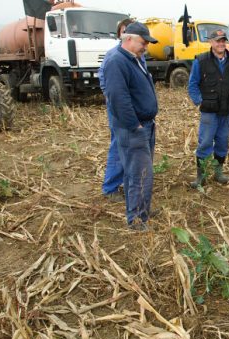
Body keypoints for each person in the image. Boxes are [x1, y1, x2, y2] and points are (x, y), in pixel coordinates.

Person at [103, 22, 159, 231]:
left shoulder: (134, 59)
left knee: (139, 173)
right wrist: (134, 126)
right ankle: (136, 220)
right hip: (133, 129)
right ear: (128, 39)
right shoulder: (117, 61)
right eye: (143, 42)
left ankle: (141, 209)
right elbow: (118, 98)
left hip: (144, 125)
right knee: (139, 175)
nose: (145, 47)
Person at [188, 30, 229, 188]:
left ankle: (218, 173)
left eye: (223, 40)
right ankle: (201, 176)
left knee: (222, 142)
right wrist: (199, 102)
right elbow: (192, 85)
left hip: (227, 111)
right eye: (218, 40)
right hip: (209, 111)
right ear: (211, 42)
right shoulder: (201, 61)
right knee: (205, 142)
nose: (221, 44)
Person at [99, 18, 136, 202]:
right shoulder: (113, 55)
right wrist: (114, 100)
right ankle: (110, 187)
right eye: (124, 30)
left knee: (129, 147)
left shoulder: (138, 55)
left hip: (132, 109)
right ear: (120, 34)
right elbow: (104, 81)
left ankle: (124, 184)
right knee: (118, 146)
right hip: (120, 109)